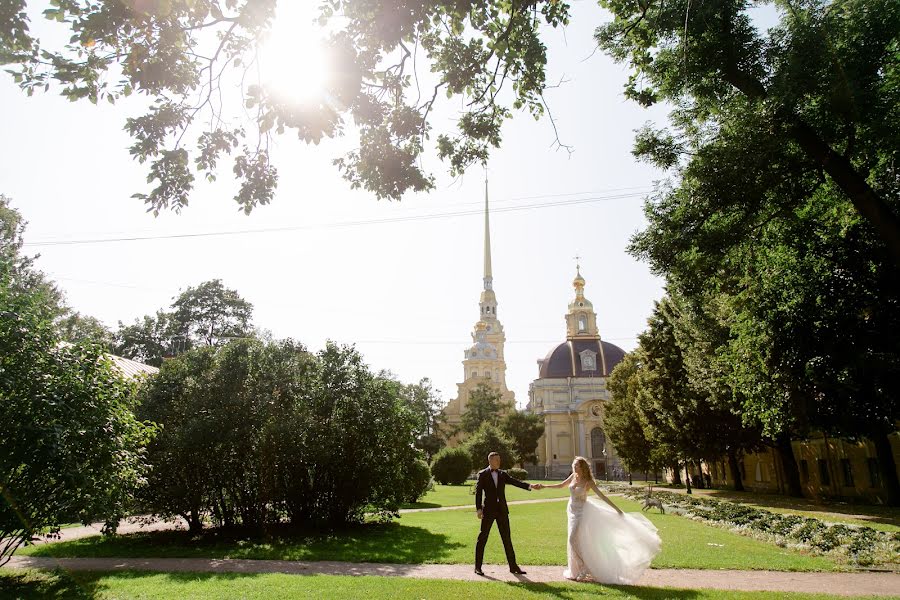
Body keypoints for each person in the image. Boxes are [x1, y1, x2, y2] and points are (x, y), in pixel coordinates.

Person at [537, 456, 661, 583]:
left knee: (572, 538)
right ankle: (578, 569)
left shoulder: (588, 481)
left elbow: (602, 496)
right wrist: (544, 486)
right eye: (573, 465)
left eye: (576, 466)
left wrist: (616, 509)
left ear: (582, 467)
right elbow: (561, 485)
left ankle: (584, 568)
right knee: (574, 540)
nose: (574, 468)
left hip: (582, 512)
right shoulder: (573, 476)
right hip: (571, 510)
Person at [474, 451, 537, 576]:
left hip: (502, 510)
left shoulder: (503, 474)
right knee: (482, 538)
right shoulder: (483, 474)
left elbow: (515, 482)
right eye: (496, 460)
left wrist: (530, 486)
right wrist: (479, 509)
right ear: (490, 461)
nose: (499, 462)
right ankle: (478, 567)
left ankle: (513, 567)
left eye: (499, 460)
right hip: (489, 511)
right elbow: (478, 492)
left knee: (507, 538)